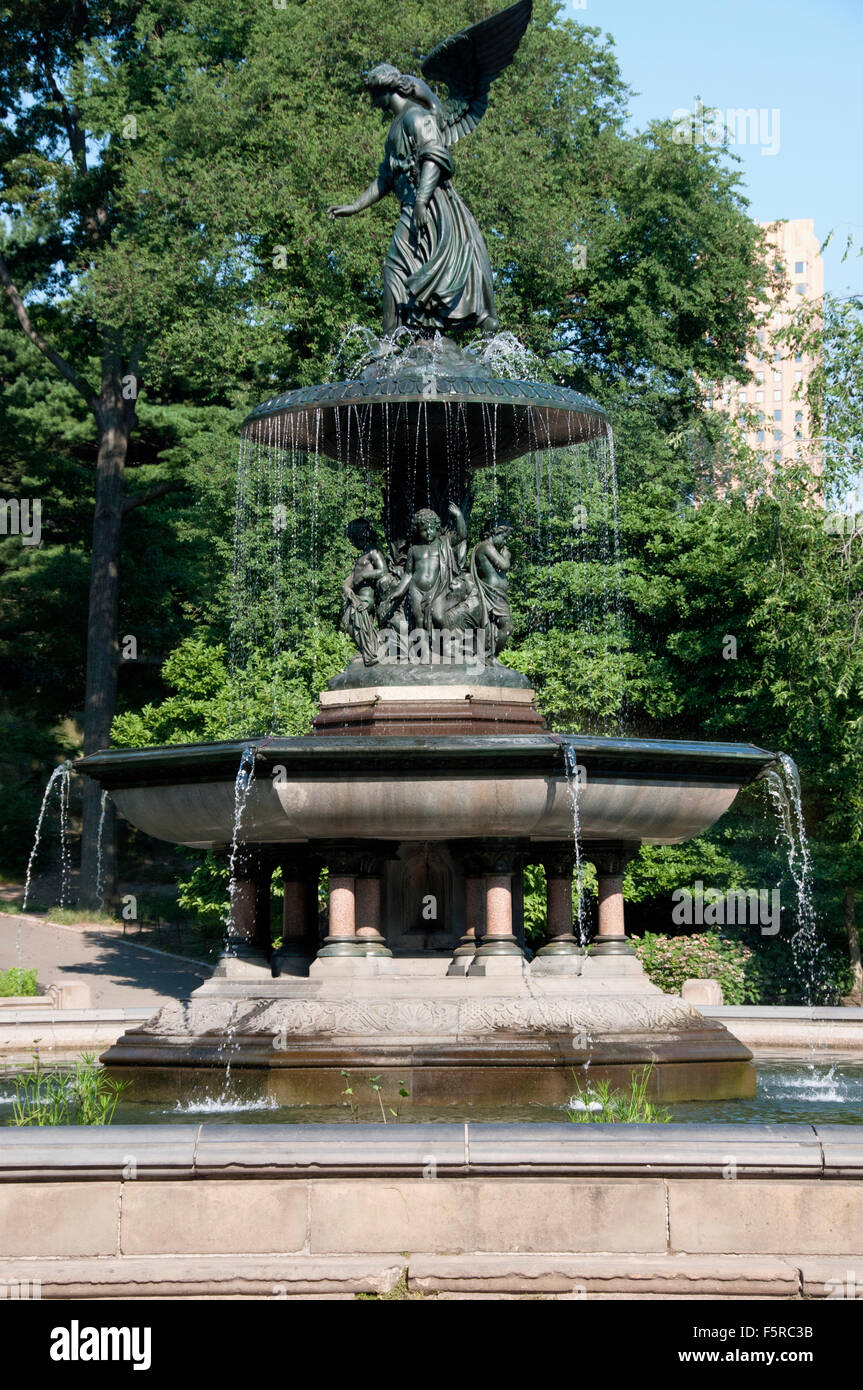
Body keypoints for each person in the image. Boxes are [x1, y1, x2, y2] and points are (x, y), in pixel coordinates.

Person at [470, 519, 514, 656]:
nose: (505, 542)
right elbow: (504, 565)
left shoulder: (490, 548)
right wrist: (506, 557)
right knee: (507, 626)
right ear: (495, 533)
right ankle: (490, 656)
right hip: (491, 593)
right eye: (504, 537)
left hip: (496, 594)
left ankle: (487, 655)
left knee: (490, 628)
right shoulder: (485, 546)